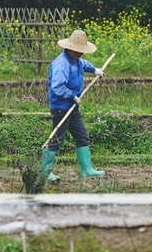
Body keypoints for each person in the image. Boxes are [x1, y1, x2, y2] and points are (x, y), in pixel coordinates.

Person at [42, 29, 105, 182]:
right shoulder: (61, 64)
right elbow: (57, 87)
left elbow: (84, 65)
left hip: (72, 107)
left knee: (82, 136)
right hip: (61, 107)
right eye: (78, 51)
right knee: (57, 139)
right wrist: (72, 96)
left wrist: (95, 70)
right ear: (70, 48)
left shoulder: (76, 60)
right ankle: (45, 171)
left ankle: (87, 170)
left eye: (82, 51)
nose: (80, 53)